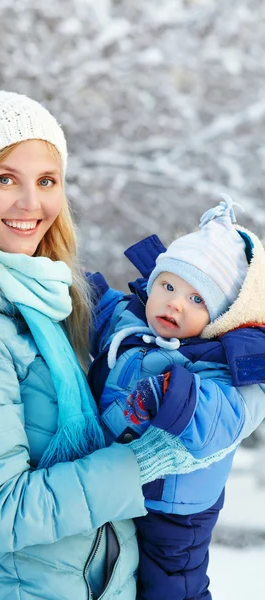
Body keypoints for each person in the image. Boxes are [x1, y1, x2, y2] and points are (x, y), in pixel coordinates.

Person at [0, 91, 260, 600]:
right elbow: (3, 512)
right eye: (4, 179)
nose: (31, 204)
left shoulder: (41, 293)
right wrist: (145, 462)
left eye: (47, 181)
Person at [88, 197, 265, 600]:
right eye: (168, 286)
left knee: (173, 585)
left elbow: (222, 416)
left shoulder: (216, 358)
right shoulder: (129, 322)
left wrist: (169, 393)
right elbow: (90, 307)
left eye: (197, 299)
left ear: (218, 316)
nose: (175, 302)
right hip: (120, 483)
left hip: (177, 506)